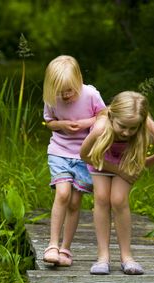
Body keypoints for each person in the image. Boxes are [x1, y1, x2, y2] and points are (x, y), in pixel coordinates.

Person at [80, 91, 154, 275]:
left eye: (133, 129)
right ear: (111, 116)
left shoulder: (144, 124)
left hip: (127, 162)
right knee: (101, 198)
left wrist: (144, 163)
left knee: (118, 200)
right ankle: (103, 257)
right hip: (100, 159)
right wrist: (118, 170)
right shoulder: (101, 127)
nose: (127, 133)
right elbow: (85, 155)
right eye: (122, 126)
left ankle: (127, 257)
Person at [42, 55, 107, 266]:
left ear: (78, 80)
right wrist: (61, 125)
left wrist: (84, 123)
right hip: (60, 151)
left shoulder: (90, 94)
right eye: (61, 92)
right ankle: (52, 244)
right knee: (62, 193)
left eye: (70, 90)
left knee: (75, 202)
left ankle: (65, 249)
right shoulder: (52, 97)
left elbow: (104, 116)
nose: (66, 95)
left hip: (84, 154)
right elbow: (49, 122)